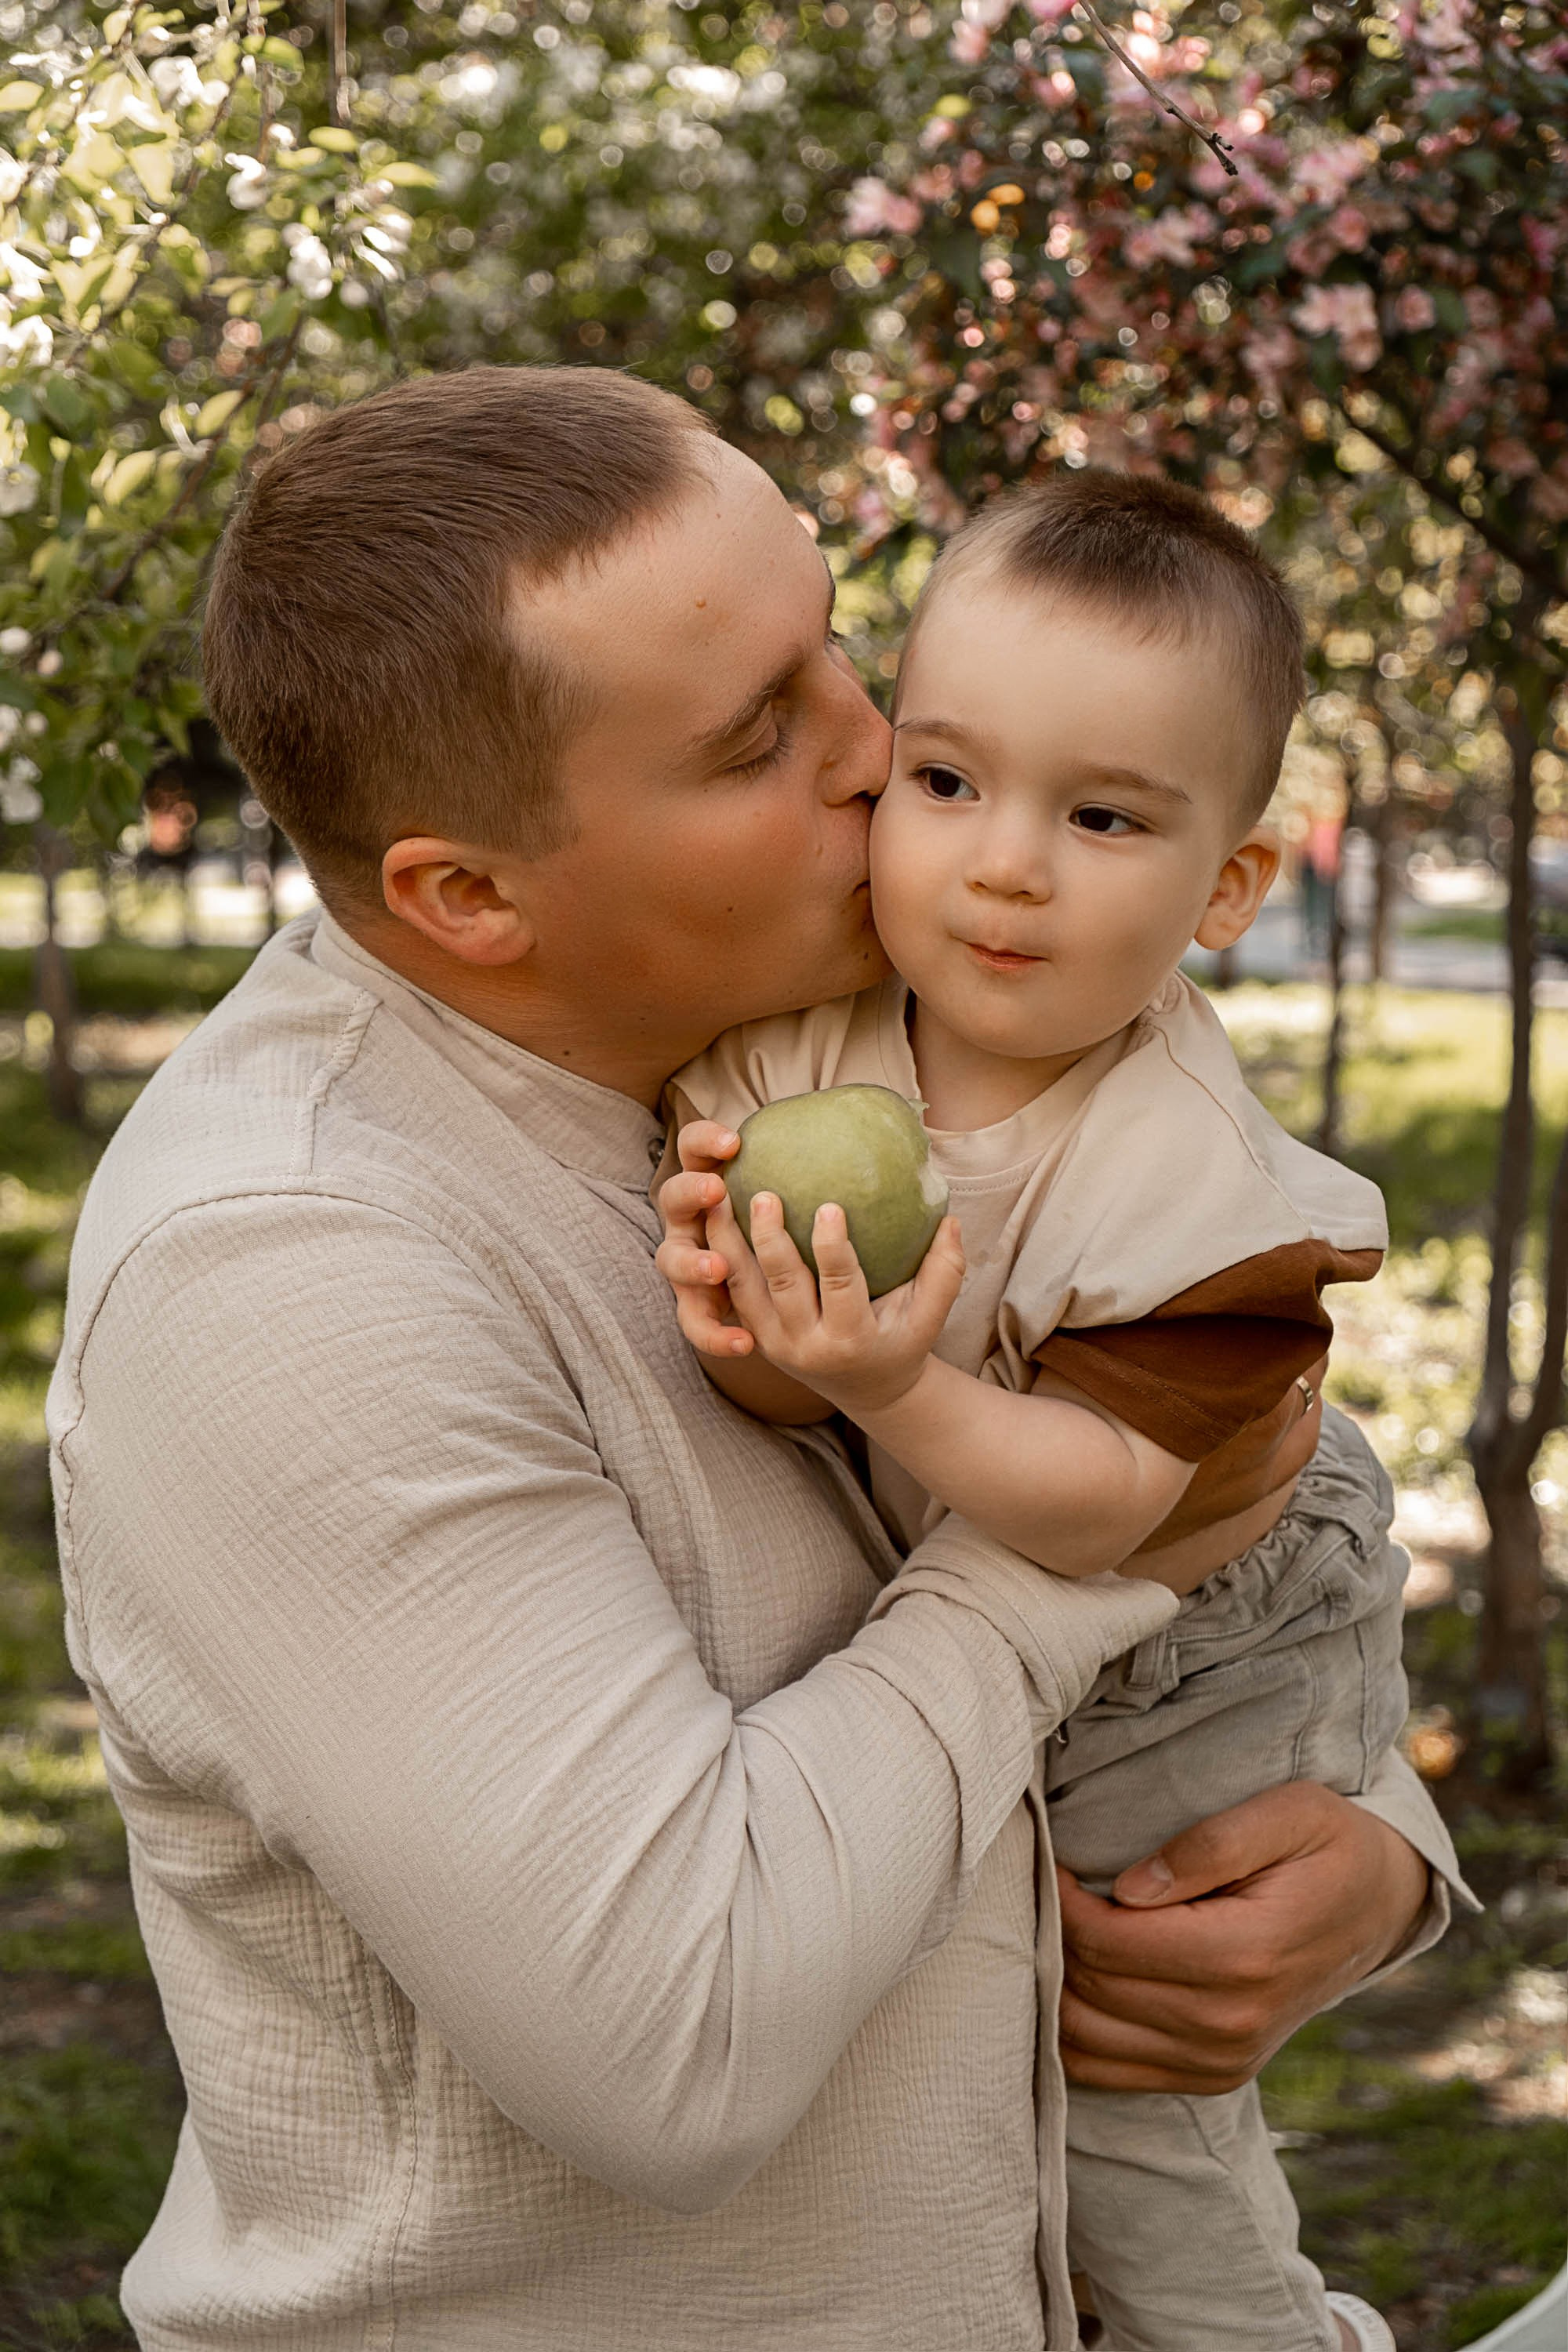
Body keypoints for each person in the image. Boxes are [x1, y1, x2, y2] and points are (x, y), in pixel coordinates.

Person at [49, 369, 1468, 2352]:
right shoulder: (289, 1278)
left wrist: (1355, 1847)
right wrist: (1068, 1565)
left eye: (838, 651)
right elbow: (679, 2039)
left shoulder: (848, 1029)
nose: (882, 752)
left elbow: (1229, 1425)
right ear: (467, 899)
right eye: (756, 738)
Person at [657, 471, 1434, 2352]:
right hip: (1029, 1589)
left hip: (1210, 1627)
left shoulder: (1194, 1192)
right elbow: (778, 1374)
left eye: (1101, 817)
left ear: (1227, 888)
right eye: (946, 781)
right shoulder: (801, 1045)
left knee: (1125, 2101)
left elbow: (1099, 1511)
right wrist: (757, 1319)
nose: (1003, 864)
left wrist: (885, 1381)